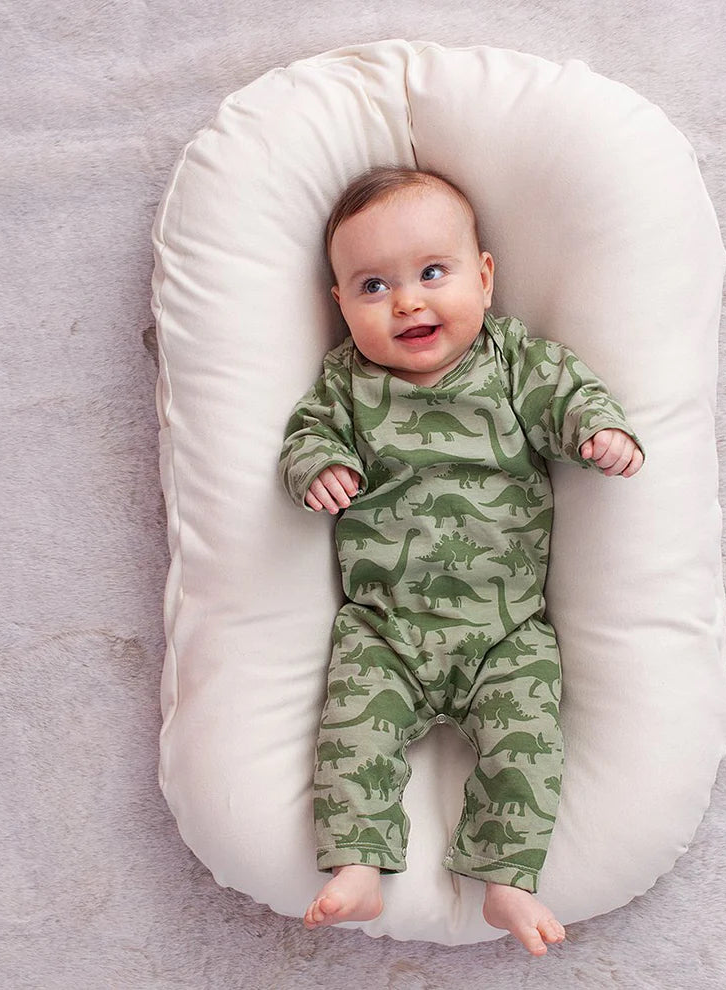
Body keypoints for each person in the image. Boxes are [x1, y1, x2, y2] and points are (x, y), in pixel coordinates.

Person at [279, 165, 644, 956]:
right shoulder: (347, 382)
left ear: (484, 279)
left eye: (432, 274)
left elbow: (569, 391)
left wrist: (597, 431)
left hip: (505, 630)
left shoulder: (512, 359)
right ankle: (357, 861)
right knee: (350, 735)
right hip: (385, 628)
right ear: (339, 305)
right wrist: (317, 468)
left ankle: (506, 878)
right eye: (373, 285)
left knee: (531, 740)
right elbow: (305, 434)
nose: (407, 301)